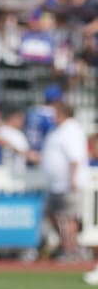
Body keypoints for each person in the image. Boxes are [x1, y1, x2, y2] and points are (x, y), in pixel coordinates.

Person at [41, 101, 90, 261]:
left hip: (68, 183)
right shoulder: (58, 130)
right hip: (56, 184)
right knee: (53, 215)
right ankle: (66, 246)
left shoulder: (71, 130)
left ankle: (72, 250)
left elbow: (75, 158)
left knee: (69, 217)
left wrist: (72, 180)